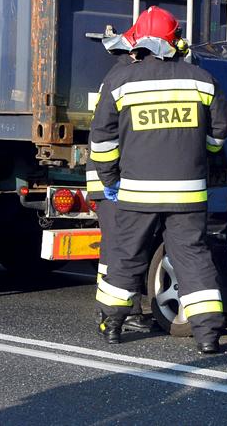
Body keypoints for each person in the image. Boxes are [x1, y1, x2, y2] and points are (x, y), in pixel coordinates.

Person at [90, 6, 227, 353]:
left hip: (136, 193)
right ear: (174, 40)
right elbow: (219, 132)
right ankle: (208, 337)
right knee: (193, 259)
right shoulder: (201, 79)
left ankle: (112, 324)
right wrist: (204, 156)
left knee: (126, 256)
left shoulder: (119, 81)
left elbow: (102, 140)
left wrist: (110, 179)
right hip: (188, 194)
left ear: (137, 42)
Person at [87, 23, 155, 334]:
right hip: (111, 177)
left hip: (114, 175)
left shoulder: (123, 73)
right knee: (117, 248)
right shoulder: (124, 76)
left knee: (121, 246)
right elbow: (107, 135)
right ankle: (116, 313)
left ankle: (123, 310)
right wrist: (111, 179)